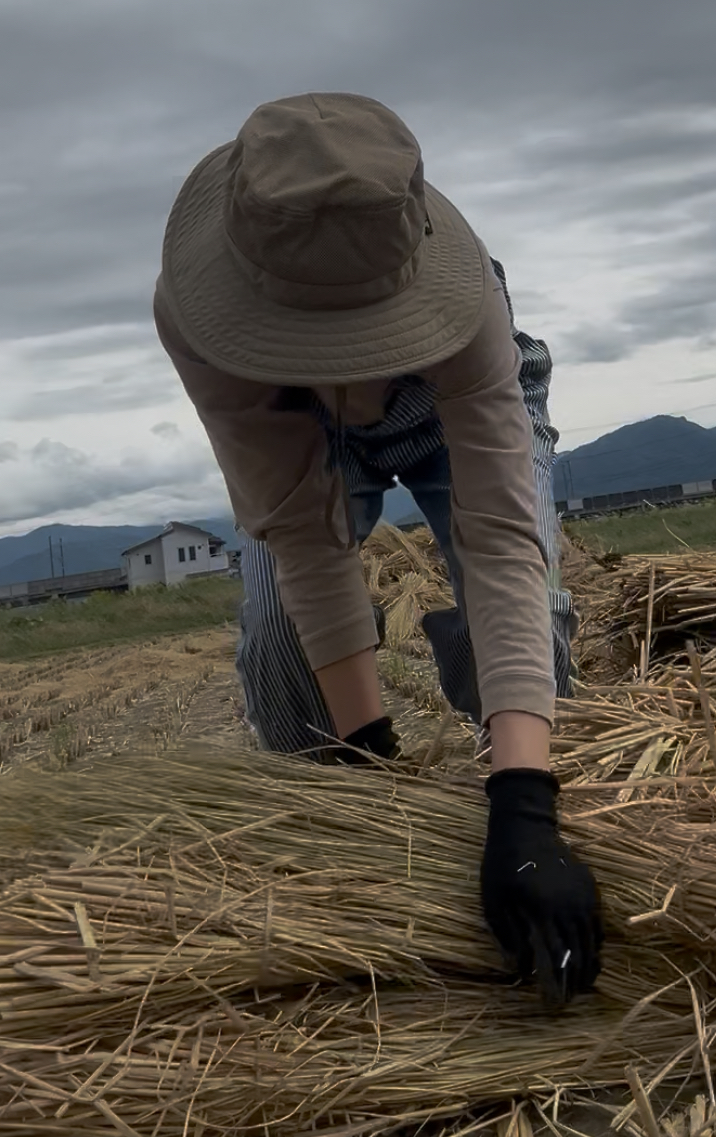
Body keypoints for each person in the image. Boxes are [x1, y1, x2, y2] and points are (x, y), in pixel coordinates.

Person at [152, 91, 602, 1006]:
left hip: (445, 406)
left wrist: (523, 808)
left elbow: (502, 541)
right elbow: (299, 531)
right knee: (280, 638)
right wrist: (367, 761)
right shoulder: (200, 319)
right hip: (307, 429)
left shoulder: (467, 302)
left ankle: (539, 809)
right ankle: (341, 858)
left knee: (529, 621)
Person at [232, 255, 578, 760]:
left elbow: (504, 553)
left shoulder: (466, 294)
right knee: (281, 623)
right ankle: (326, 784)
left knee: (533, 604)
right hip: (308, 426)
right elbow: (301, 551)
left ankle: (522, 755)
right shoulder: (213, 324)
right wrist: (362, 744)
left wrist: (523, 782)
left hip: (463, 396)